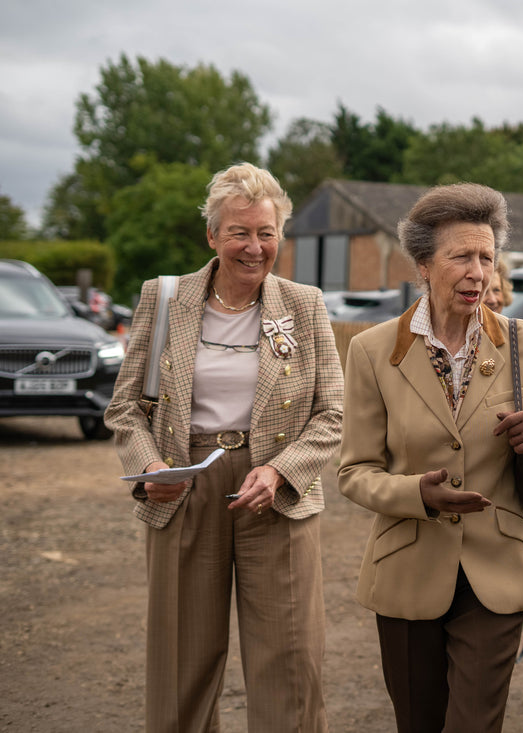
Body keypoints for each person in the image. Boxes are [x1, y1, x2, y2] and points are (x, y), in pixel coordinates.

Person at [104, 162, 343, 732]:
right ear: (212, 236)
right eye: (239, 232)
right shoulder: (164, 300)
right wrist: (151, 467)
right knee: (182, 662)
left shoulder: (304, 304)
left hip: (275, 492)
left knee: (289, 661)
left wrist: (283, 471)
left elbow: (331, 414)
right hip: (184, 486)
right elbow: (124, 408)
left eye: (266, 232)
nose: (254, 247)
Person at [338, 182, 523, 733]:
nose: (479, 273)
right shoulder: (372, 351)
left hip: (499, 567)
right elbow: (354, 472)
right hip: (406, 568)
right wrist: (415, 494)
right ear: (423, 265)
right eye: (462, 257)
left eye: (487, 257)